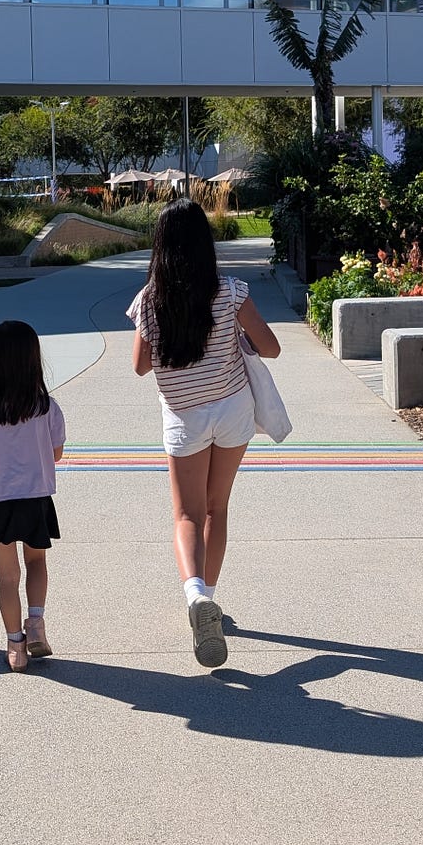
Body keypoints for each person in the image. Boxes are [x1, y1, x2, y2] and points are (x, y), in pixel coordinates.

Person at [127, 199, 280, 668]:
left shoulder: (150, 299)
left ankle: (195, 599)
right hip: (233, 409)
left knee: (187, 515)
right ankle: (209, 596)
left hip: (183, 417)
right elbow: (271, 349)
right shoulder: (231, 292)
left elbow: (138, 367)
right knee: (217, 508)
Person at [0, 320, 65, 672]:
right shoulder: (47, 407)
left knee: (7, 578)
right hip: (35, 497)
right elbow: (56, 454)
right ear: (33, 361)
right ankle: (36, 623)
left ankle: (15, 647)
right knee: (36, 562)